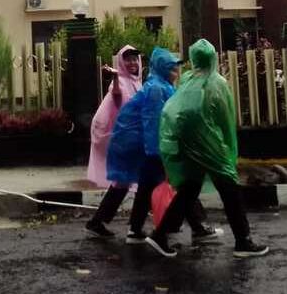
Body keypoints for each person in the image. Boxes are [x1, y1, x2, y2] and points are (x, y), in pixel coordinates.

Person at [149, 38, 269, 258]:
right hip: (209, 143)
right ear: (213, 58)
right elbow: (225, 119)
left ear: (194, 60)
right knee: (229, 187)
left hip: (185, 142)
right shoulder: (217, 83)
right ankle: (243, 242)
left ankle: (159, 235)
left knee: (189, 189)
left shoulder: (186, 79)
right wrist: (229, 152)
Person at [86, 47, 219, 243]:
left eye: (135, 59)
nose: (176, 73)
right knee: (179, 183)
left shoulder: (149, 84)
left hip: (140, 143)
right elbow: (153, 120)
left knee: (142, 186)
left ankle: (131, 228)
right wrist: (159, 150)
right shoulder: (148, 86)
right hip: (139, 143)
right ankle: (195, 226)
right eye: (172, 69)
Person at [86, 45, 142, 189]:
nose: (132, 63)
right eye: (128, 60)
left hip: (133, 137)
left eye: (135, 59)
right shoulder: (120, 82)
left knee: (127, 181)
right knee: (122, 183)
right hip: (123, 137)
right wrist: (116, 77)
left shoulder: (137, 83)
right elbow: (117, 95)